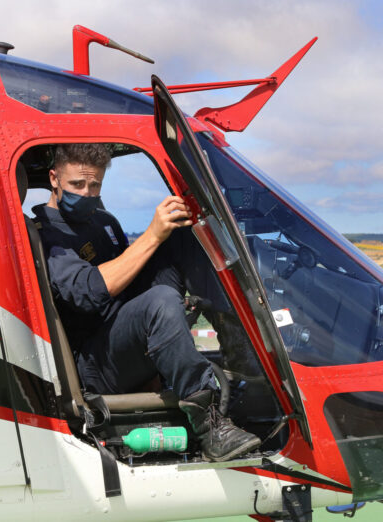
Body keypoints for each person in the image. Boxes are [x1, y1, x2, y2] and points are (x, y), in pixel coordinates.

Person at [32, 143, 260, 461]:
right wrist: (152, 234)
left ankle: (246, 363)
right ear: (54, 179)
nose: (86, 193)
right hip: (93, 363)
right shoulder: (43, 234)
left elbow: (131, 274)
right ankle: (209, 425)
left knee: (183, 235)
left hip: (124, 331)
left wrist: (167, 231)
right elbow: (87, 293)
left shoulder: (104, 222)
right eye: (77, 184)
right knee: (161, 300)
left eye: (95, 184)